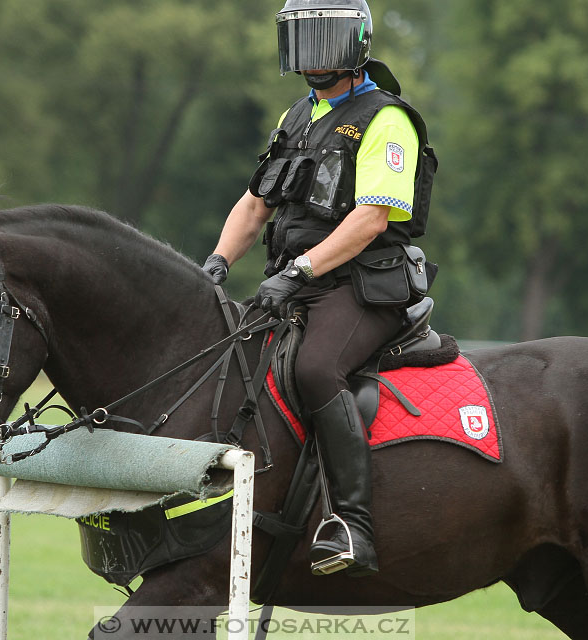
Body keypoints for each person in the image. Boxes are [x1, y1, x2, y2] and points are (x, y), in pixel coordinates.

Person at [202, 0, 434, 577]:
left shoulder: (387, 118)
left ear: (355, 44)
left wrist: (298, 271)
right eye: (303, 39)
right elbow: (256, 203)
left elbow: (370, 220)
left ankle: (352, 527)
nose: (312, 54)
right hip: (294, 286)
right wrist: (214, 265)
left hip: (362, 287)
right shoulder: (296, 118)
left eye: (324, 39)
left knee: (314, 368)